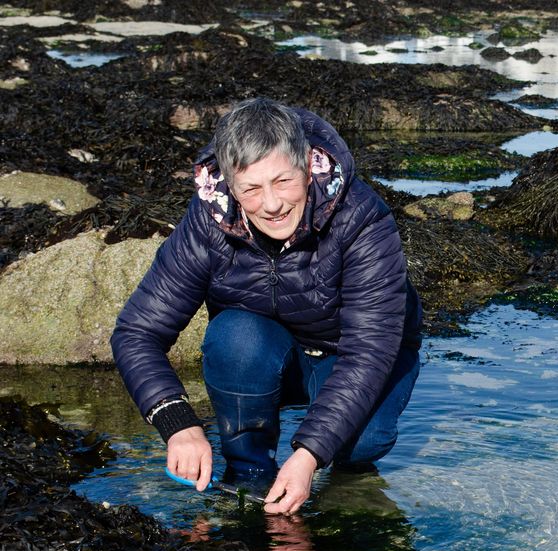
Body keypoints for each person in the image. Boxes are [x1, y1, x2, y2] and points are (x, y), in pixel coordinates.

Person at [112, 97, 423, 513]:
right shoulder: (209, 221)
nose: (272, 204)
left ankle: (344, 485)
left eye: (283, 181)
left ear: (306, 166)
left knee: (360, 444)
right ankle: (248, 475)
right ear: (230, 185)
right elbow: (137, 333)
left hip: (353, 355)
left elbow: (368, 353)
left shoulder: (361, 218)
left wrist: (308, 455)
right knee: (234, 336)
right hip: (262, 353)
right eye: (252, 189)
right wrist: (178, 424)